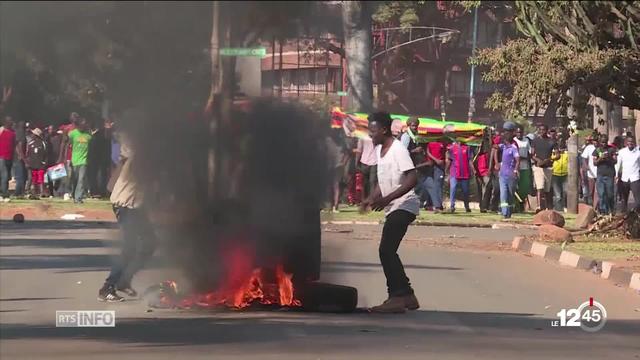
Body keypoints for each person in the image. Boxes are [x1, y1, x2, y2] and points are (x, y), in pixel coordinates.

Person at [362, 111, 420, 313]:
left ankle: (397, 296)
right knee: (388, 250)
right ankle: (408, 296)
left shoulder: (398, 149)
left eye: (373, 131)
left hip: (405, 205)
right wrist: (372, 197)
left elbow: (412, 178)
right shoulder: (380, 150)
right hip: (393, 206)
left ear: (384, 130)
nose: (371, 135)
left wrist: (387, 199)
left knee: (386, 250)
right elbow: (383, 179)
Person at [98, 134, 156, 302]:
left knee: (150, 242)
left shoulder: (145, 156)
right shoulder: (139, 156)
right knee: (130, 246)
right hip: (125, 204)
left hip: (136, 205)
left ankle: (124, 280)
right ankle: (107, 287)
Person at [531, 124, 558, 212]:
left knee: (547, 189)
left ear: (547, 131)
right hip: (538, 167)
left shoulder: (552, 141)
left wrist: (549, 159)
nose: (542, 131)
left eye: (544, 130)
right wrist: (538, 160)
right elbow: (532, 154)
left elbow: (557, 155)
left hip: (548, 168)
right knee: (540, 187)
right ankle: (539, 206)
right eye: (540, 130)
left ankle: (547, 207)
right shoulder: (535, 141)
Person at [496, 123, 520, 219]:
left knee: (510, 194)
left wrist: (515, 170)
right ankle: (505, 213)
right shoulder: (502, 146)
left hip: (511, 175)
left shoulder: (514, 147)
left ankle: (509, 212)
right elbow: (494, 148)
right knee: (503, 194)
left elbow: (518, 160)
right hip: (502, 175)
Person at [446, 135, 474, 213]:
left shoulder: (467, 148)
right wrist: (446, 170)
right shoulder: (452, 148)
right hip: (454, 171)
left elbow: (470, 160)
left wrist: (473, 170)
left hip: (465, 172)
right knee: (453, 188)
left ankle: (467, 206)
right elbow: (449, 160)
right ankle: (452, 206)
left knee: (465, 191)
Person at [68, 118, 92, 203]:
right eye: (81, 125)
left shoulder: (88, 136)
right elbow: (68, 143)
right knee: (74, 179)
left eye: (84, 125)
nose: (83, 126)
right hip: (74, 160)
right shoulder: (72, 134)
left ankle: (78, 198)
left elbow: (91, 147)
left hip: (83, 161)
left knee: (81, 180)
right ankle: (73, 194)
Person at [88, 119, 114, 198]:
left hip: (102, 158)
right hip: (97, 157)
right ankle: (96, 191)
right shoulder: (97, 134)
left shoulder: (105, 135)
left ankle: (101, 191)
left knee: (102, 175)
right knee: (97, 174)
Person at [592, 134, 617, 215]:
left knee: (610, 194)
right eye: (602, 142)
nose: (604, 144)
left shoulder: (612, 149)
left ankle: (612, 209)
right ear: (600, 142)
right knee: (601, 194)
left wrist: (608, 157)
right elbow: (594, 163)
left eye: (605, 142)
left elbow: (615, 161)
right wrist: (600, 158)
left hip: (610, 175)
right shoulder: (597, 150)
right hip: (600, 175)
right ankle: (603, 211)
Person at [616, 136, 640, 213]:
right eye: (629, 141)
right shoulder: (622, 152)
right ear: (626, 142)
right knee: (624, 200)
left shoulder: (638, 152)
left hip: (635, 178)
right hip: (624, 179)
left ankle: (636, 216)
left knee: (638, 201)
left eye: (632, 141)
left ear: (634, 143)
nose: (630, 143)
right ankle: (624, 217)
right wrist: (616, 175)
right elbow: (618, 164)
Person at [423, 138, 446, 212]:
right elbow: (428, 152)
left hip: (440, 167)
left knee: (438, 185)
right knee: (431, 185)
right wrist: (436, 160)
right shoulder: (430, 142)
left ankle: (437, 205)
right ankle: (433, 205)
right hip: (431, 165)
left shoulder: (443, 142)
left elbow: (446, 153)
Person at [513, 126, 532, 212]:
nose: (519, 134)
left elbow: (529, 153)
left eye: (520, 132)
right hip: (515, 167)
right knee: (515, 187)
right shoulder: (513, 141)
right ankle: (515, 205)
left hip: (525, 167)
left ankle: (521, 204)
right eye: (517, 132)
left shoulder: (526, 140)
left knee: (524, 187)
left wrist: (525, 159)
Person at [25, 128, 48, 198]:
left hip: (40, 164)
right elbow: (28, 154)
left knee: (40, 179)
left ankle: (42, 192)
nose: (32, 135)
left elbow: (46, 154)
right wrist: (28, 162)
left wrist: (44, 163)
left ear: (36, 135)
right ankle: (34, 192)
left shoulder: (43, 143)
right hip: (32, 164)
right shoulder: (30, 143)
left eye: (33, 134)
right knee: (34, 179)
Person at [474, 134, 492, 213]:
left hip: (485, 173)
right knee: (480, 191)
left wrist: (489, 170)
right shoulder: (477, 154)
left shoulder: (487, 153)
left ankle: (484, 206)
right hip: (478, 173)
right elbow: (473, 162)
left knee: (485, 190)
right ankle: (481, 205)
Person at [355, 137, 377, 202]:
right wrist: (357, 161)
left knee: (372, 182)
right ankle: (364, 200)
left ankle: (372, 200)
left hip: (375, 161)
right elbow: (359, 150)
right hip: (364, 161)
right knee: (365, 183)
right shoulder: (362, 137)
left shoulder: (377, 135)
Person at [551, 138, 569, 212]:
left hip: (565, 175)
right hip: (555, 175)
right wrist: (556, 154)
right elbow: (551, 159)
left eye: (563, 144)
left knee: (565, 192)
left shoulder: (567, 153)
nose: (561, 145)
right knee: (558, 195)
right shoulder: (553, 152)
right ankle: (558, 210)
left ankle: (565, 207)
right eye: (559, 144)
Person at [0, 116, 15, 198]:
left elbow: (13, 145)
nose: (11, 123)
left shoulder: (13, 132)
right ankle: (4, 192)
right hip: (1, 157)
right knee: (4, 175)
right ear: (6, 122)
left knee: (7, 176)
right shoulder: (1, 130)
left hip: (9, 157)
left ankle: (4, 191)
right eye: (10, 121)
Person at [581, 134, 598, 207]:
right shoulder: (588, 148)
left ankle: (595, 207)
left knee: (597, 192)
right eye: (593, 141)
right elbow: (584, 158)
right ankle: (590, 206)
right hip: (591, 173)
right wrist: (585, 165)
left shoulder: (601, 148)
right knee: (591, 191)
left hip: (599, 173)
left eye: (596, 141)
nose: (595, 142)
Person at [13, 121, 28, 198]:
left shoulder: (18, 133)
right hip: (19, 158)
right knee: (21, 177)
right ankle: (17, 193)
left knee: (22, 176)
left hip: (17, 158)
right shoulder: (21, 134)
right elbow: (19, 147)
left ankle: (20, 192)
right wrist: (23, 159)